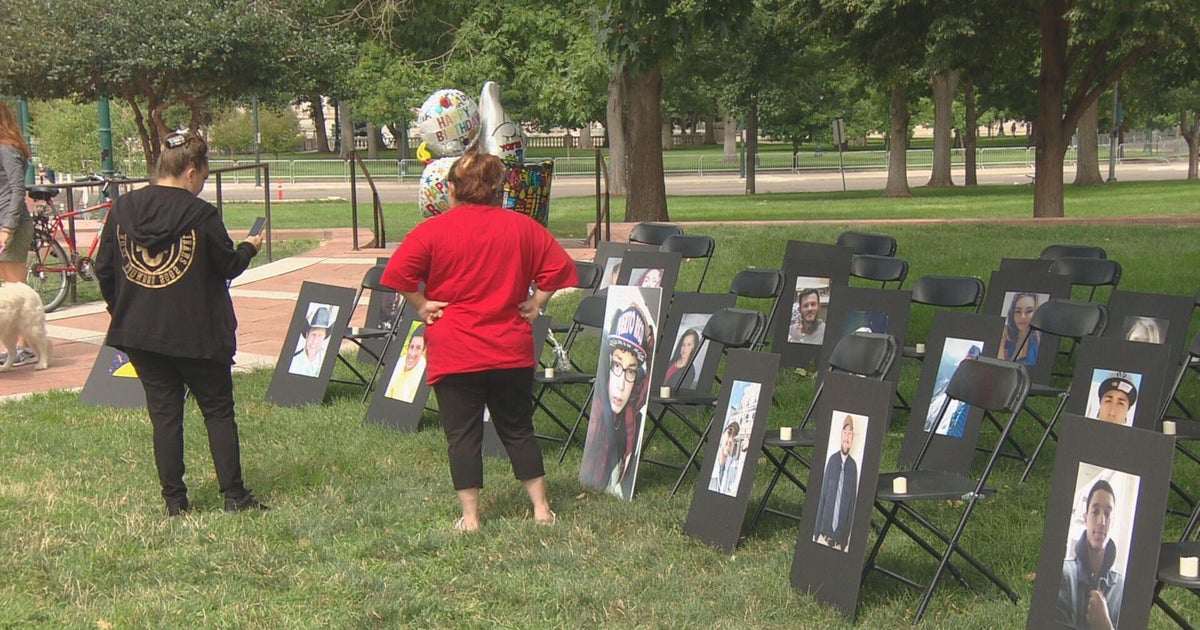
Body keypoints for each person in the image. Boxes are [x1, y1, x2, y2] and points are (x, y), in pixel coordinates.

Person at [381, 151, 577, 532]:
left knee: (462, 435)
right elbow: (561, 269)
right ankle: (541, 509)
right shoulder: (523, 228)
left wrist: (422, 305)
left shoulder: (431, 231)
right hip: (510, 349)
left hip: (455, 350)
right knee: (518, 428)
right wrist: (537, 302)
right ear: (498, 191)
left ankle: (471, 518)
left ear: (451, 188)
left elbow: (396, 275)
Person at [94, 131, 267, 516]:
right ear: (191, 172)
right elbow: (228, 266)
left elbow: (103, 269)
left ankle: (175, 503)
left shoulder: (122, 209)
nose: (202, 186)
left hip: (141, 332)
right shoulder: (200, 214)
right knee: (218, 411)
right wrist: (249, 248)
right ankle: (234, 497)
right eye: (203, 178)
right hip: (199, 333)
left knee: (164, 416)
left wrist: (121, 308)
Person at [579, 303, 653, 499]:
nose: (621, 384)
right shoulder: (598, 408)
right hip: (592, 484)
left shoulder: (631, 411)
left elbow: (649, 378)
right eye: (616, 365)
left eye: (630, 371)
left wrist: (647, 330)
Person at [0, 101, 39, 367]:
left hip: (10, 224)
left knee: (17, 290)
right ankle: (14, 348)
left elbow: (17, 189)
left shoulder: (7, 148)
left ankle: (27, 348)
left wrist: (6, 228)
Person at [1057, 480, 1124, 630]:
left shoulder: (1122, 590)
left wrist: (1106, 626)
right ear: (1086, 518)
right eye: (1095, 512)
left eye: (1108, 513)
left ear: (1113, 522)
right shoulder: (1063, 574)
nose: (1101, 521)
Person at [813, 415, 859, 551]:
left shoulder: (853, 467)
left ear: (853, 438)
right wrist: (815, 534)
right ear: (840, 435)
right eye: (845, 433)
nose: (847, 437)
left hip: (839, 544)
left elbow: (852, 506)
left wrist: (844, 542)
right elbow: (822, 497)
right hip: (822, 537)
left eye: (850, 434)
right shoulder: (832, 461)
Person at [384, 324, 427, 403]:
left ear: (423, 351)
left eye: (418, 348)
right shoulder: (400, 362)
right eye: (411, 347)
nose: (412, 354)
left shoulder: (423, 371)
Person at [288, 306, 332, 377]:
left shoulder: (327, 359)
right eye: (313, 335)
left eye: (320, 336)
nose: (314, 341)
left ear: (324, 337)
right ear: (307, 334)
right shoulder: (293, 362)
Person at [1001, 292, 1042, 365]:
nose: (1023, 317)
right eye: (1018, 311)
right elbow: (999, 365)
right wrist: (1002, 341)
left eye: (1029, 311)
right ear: (1012, 314)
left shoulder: (1039, 338)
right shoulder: (1007, 337)